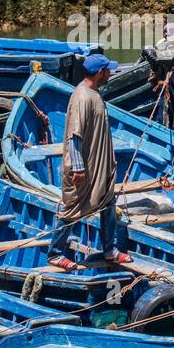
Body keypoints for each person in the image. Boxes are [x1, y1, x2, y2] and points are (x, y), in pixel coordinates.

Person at [47, 55, 129, 270]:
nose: (110, 74)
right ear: (99, 72)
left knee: (108, 202)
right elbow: (75, 135)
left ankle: (110, 250)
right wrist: (79, 167)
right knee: (72, 209)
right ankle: (55, 253)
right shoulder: (83, 97)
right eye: (108, 70)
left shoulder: (94, 94)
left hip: (98, 167)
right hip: (83, 168)